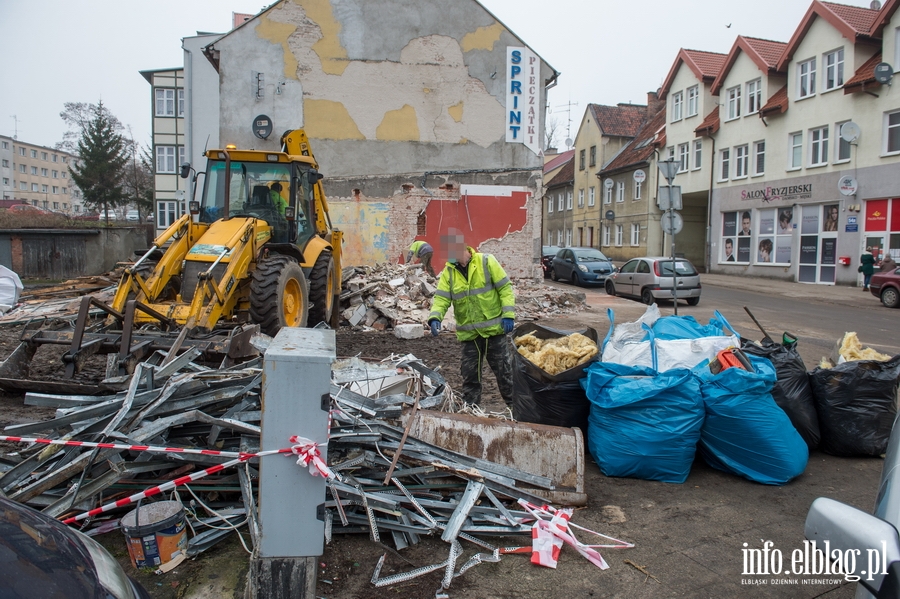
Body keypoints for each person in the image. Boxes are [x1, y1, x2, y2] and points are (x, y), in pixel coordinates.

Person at [427, 229, 515, 407]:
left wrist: (508, 314)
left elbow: (505, 289)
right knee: (470, 378)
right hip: (470, 335)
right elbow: (442, 298)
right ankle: (471, 413)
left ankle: (518, 411)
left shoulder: (486, 261)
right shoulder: (449, 272)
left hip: (494, 332)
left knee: (505, 375)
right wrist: (435, 317)